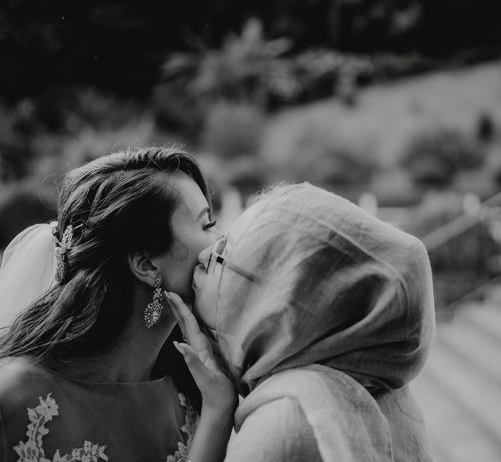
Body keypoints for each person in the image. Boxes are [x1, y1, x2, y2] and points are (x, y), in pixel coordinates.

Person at [169, 182, 436, 462]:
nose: (204, 255)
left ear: (276, 294)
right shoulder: (376, 387)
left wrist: (216, 409)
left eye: (224, 254)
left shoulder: (285, 424)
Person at [0, 147, 236, 462]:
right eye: (207, 225)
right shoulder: (12, 399)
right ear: (146, 264)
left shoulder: (198, 387)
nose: (223, 241)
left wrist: (218, 412)